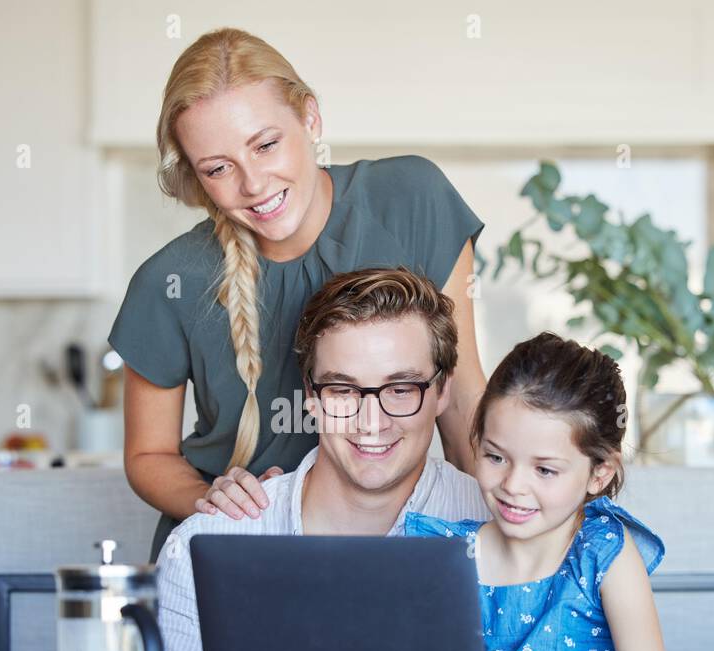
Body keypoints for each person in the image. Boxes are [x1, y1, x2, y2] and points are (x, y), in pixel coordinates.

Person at [108, 27, 487, 562]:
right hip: (236, 548)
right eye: (218, 169)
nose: (255, 184)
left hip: (398, 543)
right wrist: (209, 497)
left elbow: (463, 402)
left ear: (309, 118)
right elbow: (149, 454)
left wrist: (512, 532)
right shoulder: (167, 281)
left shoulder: (411, 200)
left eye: (265, 144)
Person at [156, 267, 490, 651]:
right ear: (311, 396)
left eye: (400, 389)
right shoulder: (204, 542)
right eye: (343, 390)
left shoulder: (501, 525)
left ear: (443, 390)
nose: (371, 421)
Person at [406, 332, 675, 651]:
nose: (513, 485)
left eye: (545, 470)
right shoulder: (438, 551)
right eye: (496, 457)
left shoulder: (603, 553)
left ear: (599, 474)